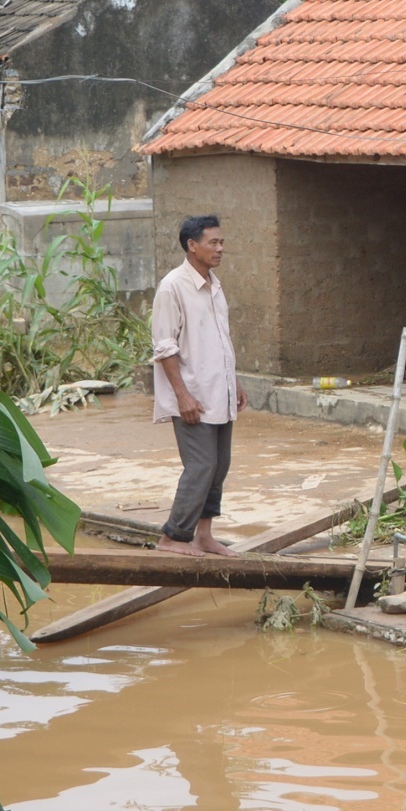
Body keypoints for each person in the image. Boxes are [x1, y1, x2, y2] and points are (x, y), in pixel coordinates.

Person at [151, 214, 248, 556]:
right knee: (201, 465)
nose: (220, 248)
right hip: (192, 395)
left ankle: (203, 535)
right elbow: (164, 347)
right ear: (192, 246)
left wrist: (232, 381)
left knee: (219, 465)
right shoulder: (173, 287)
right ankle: (173, 538)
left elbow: (220, 340)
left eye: (222, 242)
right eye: (213, 243)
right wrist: (182, 396)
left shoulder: (214, 285)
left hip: (217, 392)